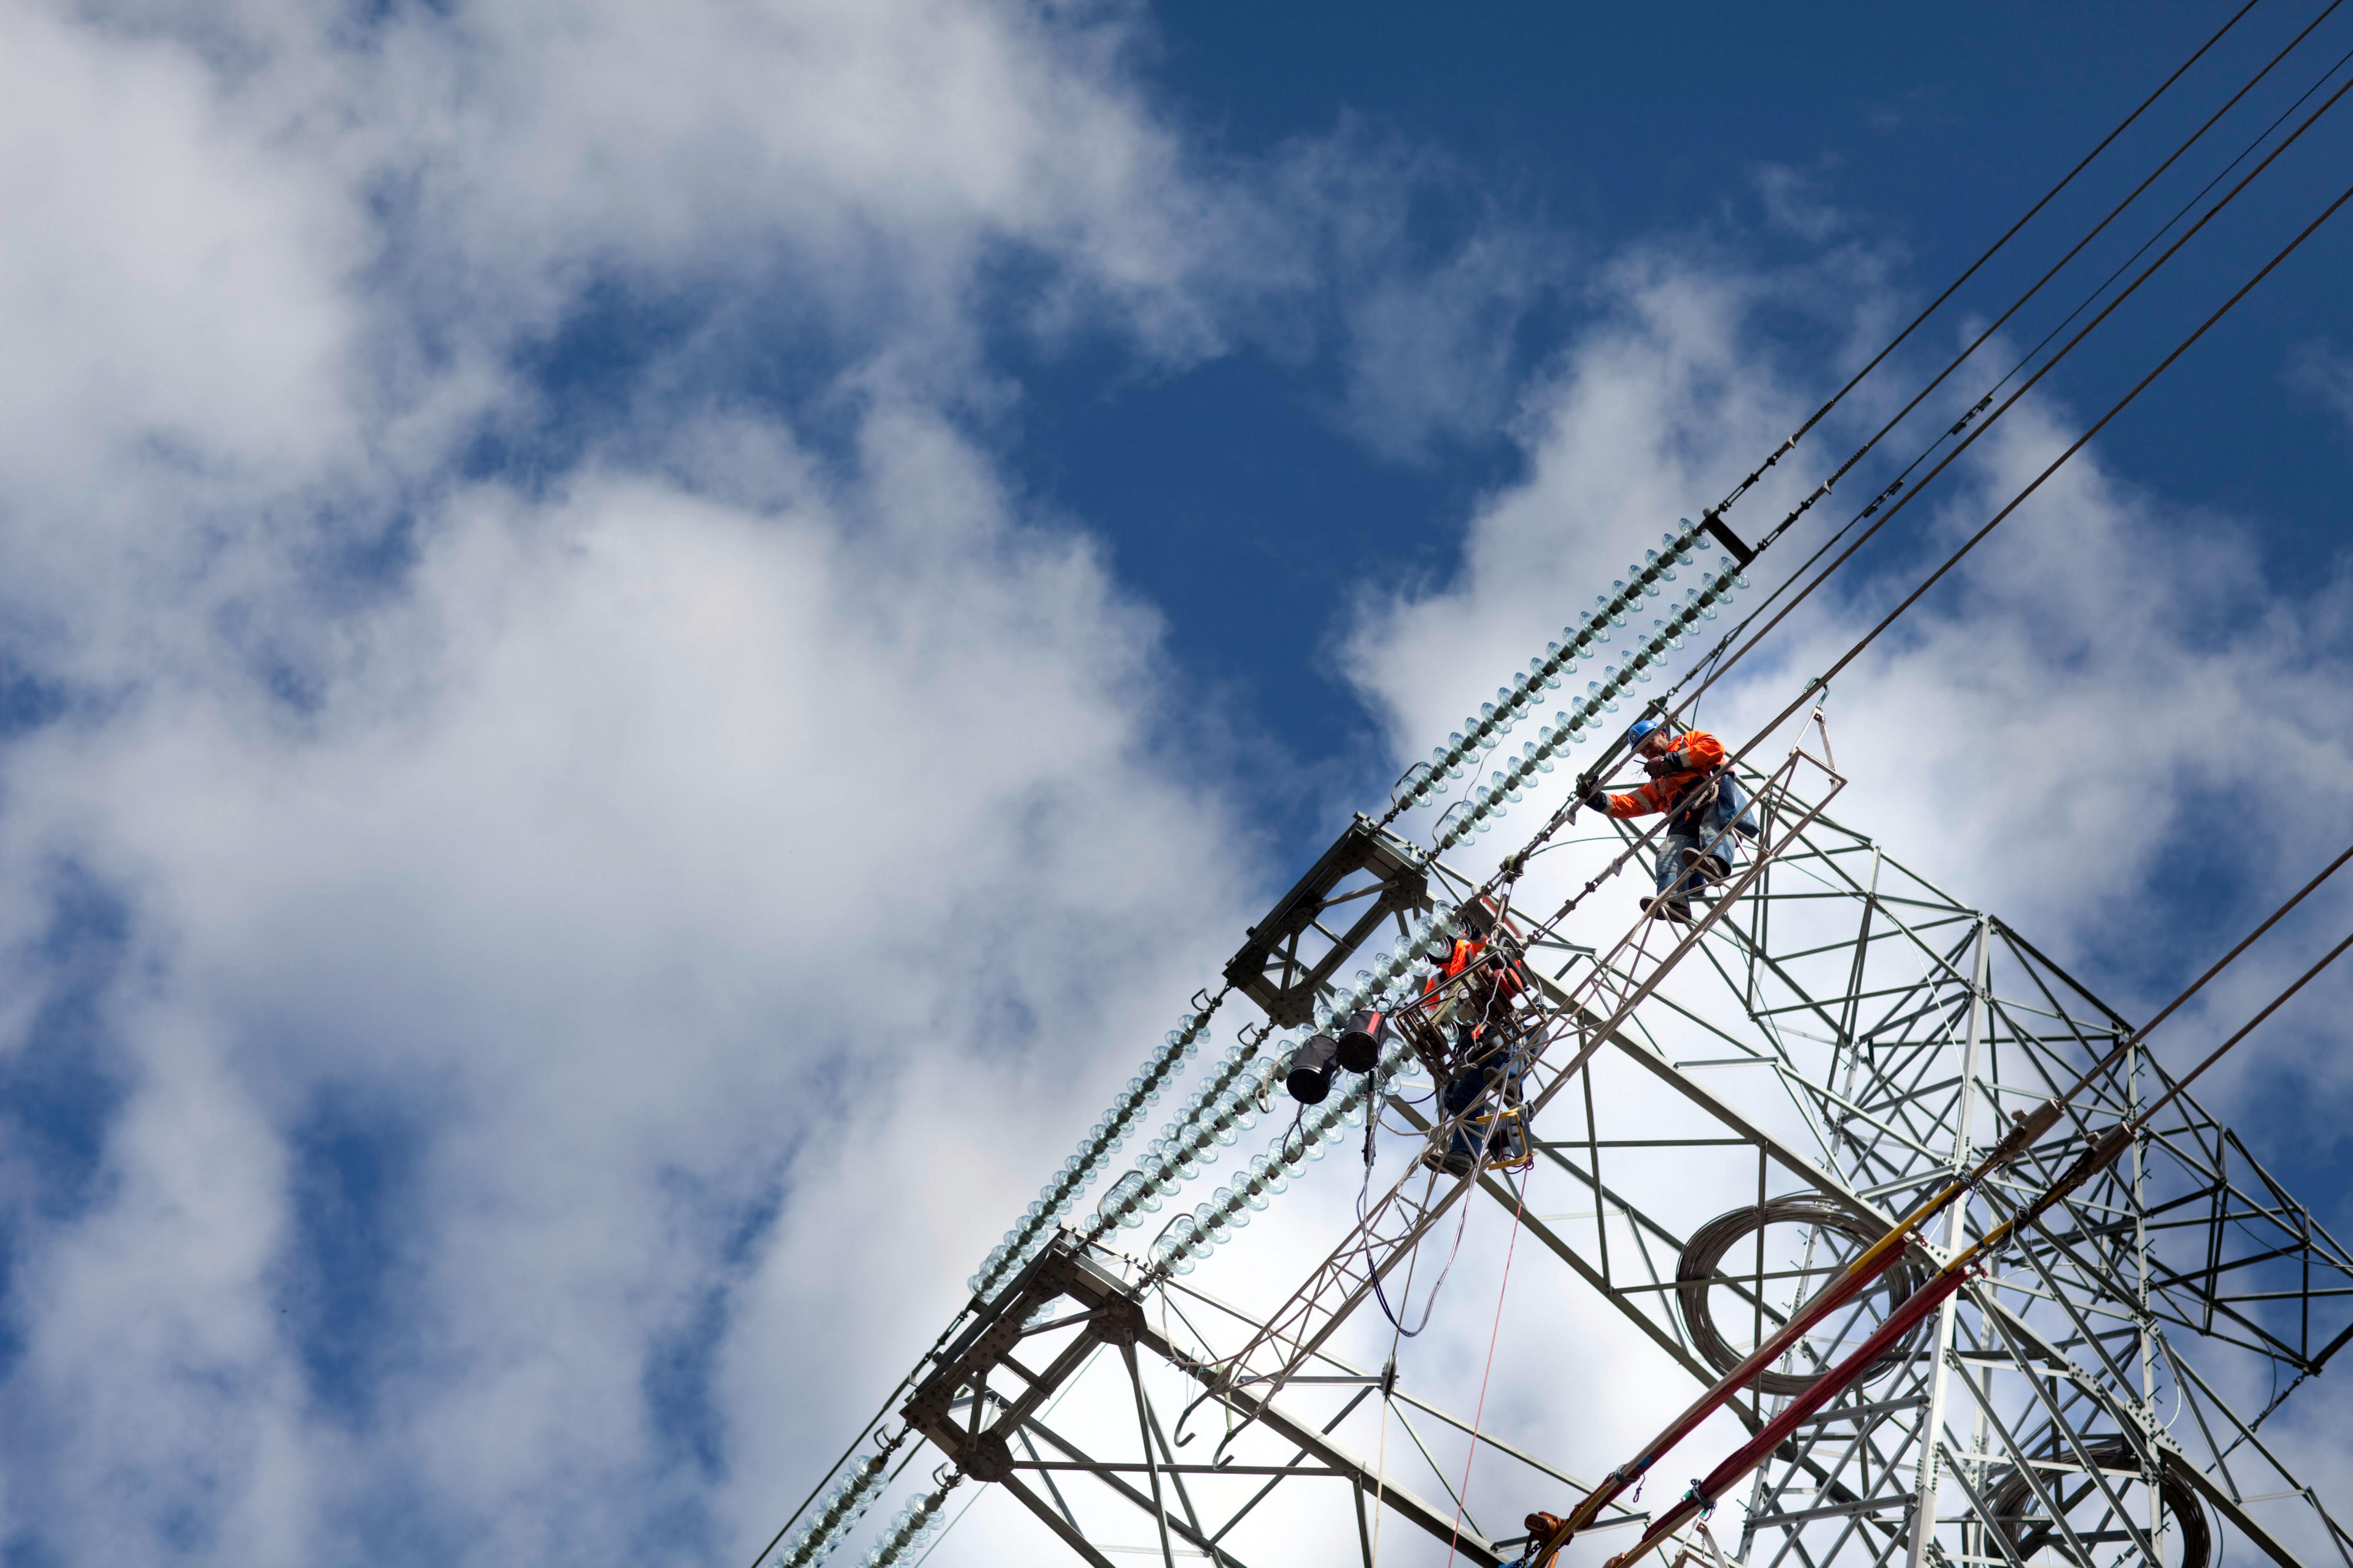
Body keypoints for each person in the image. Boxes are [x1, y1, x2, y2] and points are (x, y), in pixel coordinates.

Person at [1582, 718, 1757, 924]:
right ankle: (1674, 902)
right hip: (1686, 817)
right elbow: (1629, 804)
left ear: (1663, 734)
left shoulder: (1688, 741)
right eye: (1641, 750)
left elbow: (1713, 748)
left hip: (1714, 796)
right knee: (1667, 853)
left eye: (1648, 743)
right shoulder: (1658, 785)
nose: (1646, 751)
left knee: (1714, 825)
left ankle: (1716, 862)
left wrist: (1670, 762)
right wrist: (1595, 799)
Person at [1419, 923, 1530, 1175]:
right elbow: (1430, 1016)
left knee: (1505, 1048)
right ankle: (1463, 1156)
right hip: (1468, 1040)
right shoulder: (1437, 982)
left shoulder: (1468, 950)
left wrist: (1474, 933)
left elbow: (1488, 947)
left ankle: (1511, 1083)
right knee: (1464, 1091)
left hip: (1494, 1022)